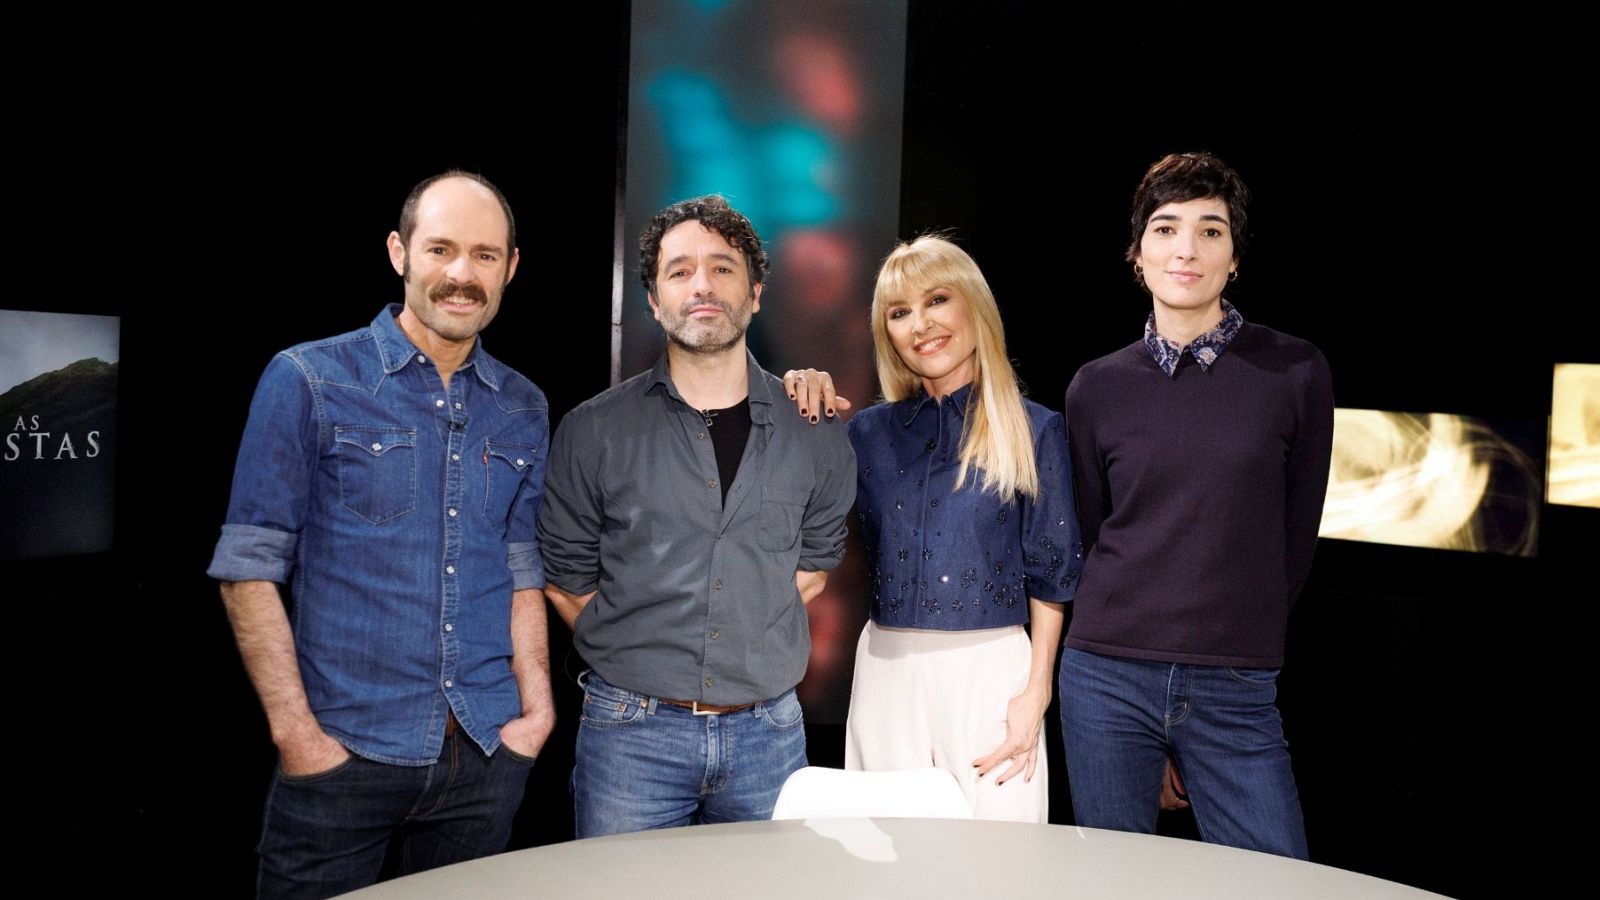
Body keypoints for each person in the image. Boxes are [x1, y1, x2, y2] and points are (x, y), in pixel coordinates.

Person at [207, 171, 555, 898]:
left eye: (485, 255)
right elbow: (247, 568)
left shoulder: (523, 405)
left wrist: (536, 713)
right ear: (400, 252)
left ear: (511, 268)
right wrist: (296, 736)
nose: (462, 274)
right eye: (441, 249)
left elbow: (522, 567)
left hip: (485, 752)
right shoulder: (309, 378)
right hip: (342, 755)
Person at [538, 195, 856, 838]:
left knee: (763, 888)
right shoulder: (593, 430)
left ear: (755, 293)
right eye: (679, 271)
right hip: (630, 738)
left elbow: (815, 568)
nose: (702, 285)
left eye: (722, 267)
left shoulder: (815, 427)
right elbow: (566, 578)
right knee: (623, 888)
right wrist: (643, 654)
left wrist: (740, 632)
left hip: (768, 737)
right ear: (654, 301)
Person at [1059, 151, 1334, 859]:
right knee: (1115, 880)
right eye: (1165, 228)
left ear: (1234, 257)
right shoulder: (1095, 387)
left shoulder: (1295, 371)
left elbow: (1297, 536)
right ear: (1137, 253)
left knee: (1277, 881)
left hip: (1234, 680)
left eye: (1210, 231)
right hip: (1105, 674)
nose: (1186, 249)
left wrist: (1235, 637)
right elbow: (1091, 529)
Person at [784, 236, 1081, 821]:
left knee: (1001, 857)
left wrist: (1036, 691)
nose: (921, 324)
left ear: (974, 304)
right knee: (884, 854)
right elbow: (793, 518)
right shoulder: (865, 434)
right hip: (886, 670)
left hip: (993, 674)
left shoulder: (1034, 430)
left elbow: (1052, 573)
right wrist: (793, 390)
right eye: (900, 312)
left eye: (937, 300)